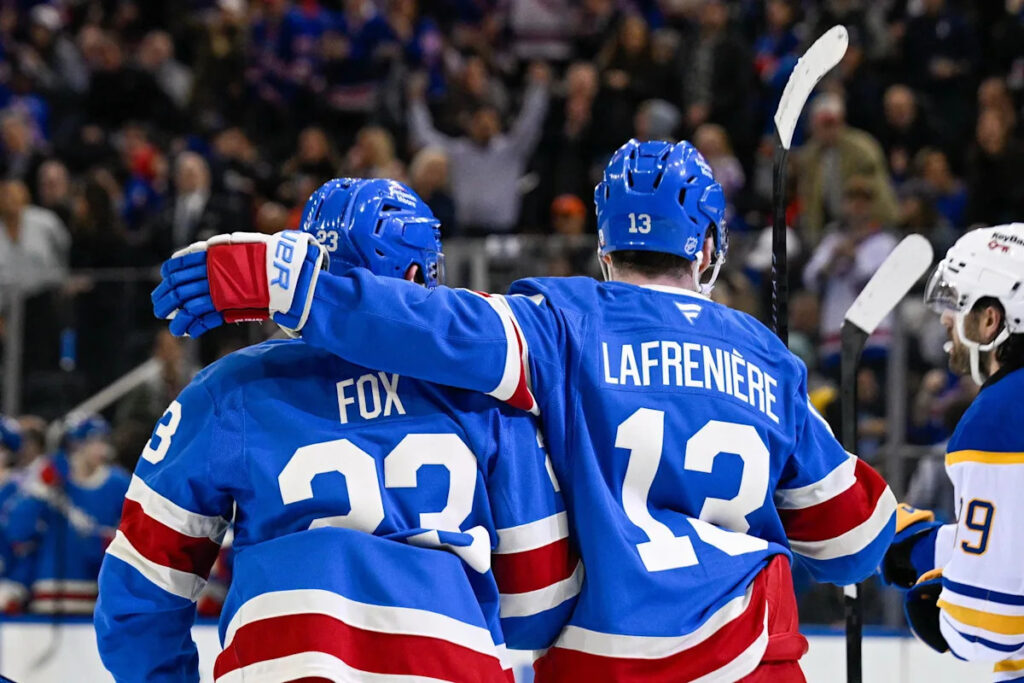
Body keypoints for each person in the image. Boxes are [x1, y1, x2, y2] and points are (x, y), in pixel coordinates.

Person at [154, 140, 897, 681]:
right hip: (750, 656)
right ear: (707, 249)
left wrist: (287, 280)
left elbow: (429, 327)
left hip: (596, 662)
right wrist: (919, 549)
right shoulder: (769, 360)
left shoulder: (555, 321)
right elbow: (856, 538)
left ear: (605, 245)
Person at [99, 178, 578, 682]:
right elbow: (537, 600)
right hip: (449, 664)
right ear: (417, 272)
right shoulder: (485, 395)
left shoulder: (228, 391)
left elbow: (140, 590)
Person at [880, 224, 1024, 680]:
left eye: (957, 305)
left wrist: (938, 607)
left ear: (990, 320)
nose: (945, 319)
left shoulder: (999, 418)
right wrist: (921, 548)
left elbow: (985, 628)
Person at [3, 415, 128, 614]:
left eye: (102, 441)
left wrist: (110, 541)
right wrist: (40, 489)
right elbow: (18, 532)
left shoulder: (118, 483)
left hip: (95, 594)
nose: (101, 449)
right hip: (47, 592)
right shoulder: (50, 477)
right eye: (92, 442)